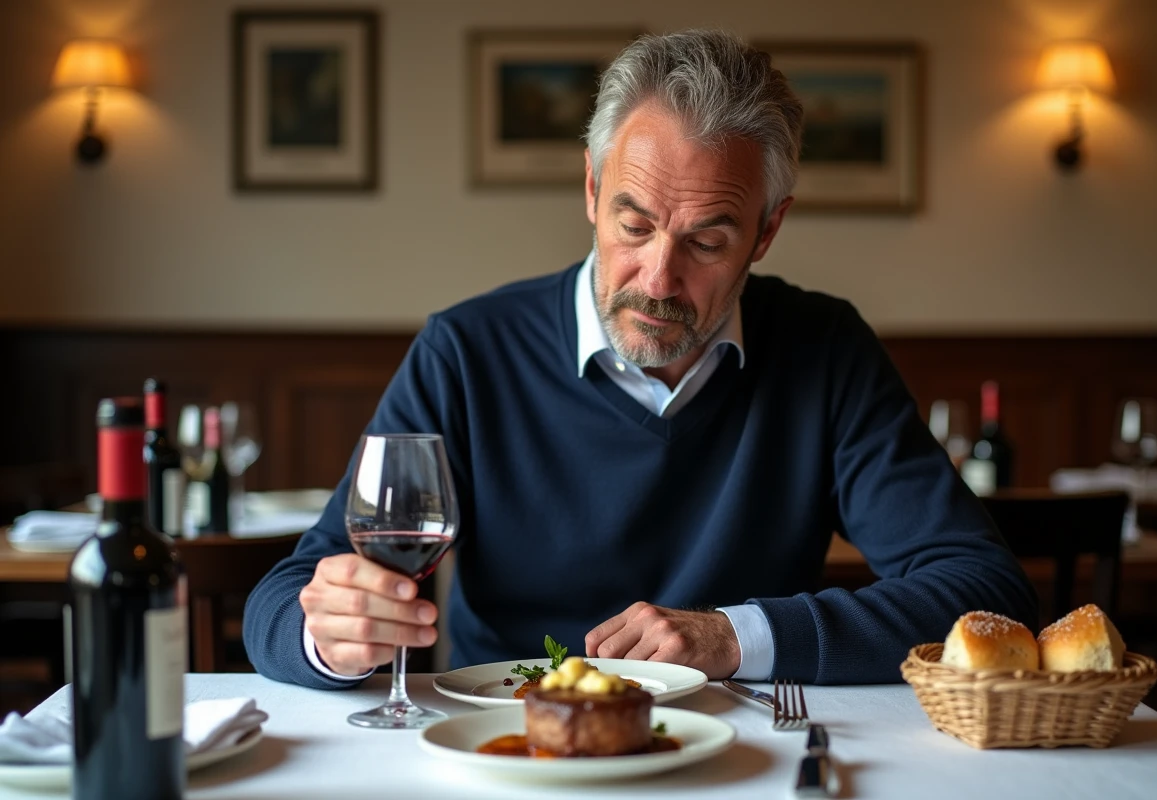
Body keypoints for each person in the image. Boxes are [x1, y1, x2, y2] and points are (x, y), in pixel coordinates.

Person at [244, 29, 1037, 689]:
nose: (658, 279)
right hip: (509, 752)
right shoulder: (466, 350)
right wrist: (328, 637)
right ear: (592, 191)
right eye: (634, 225)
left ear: (766, 231)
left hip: (740, 761)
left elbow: (984, 590)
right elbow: (284, 598)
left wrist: (736, 637)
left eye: (707, 240)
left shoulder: (824, 350)